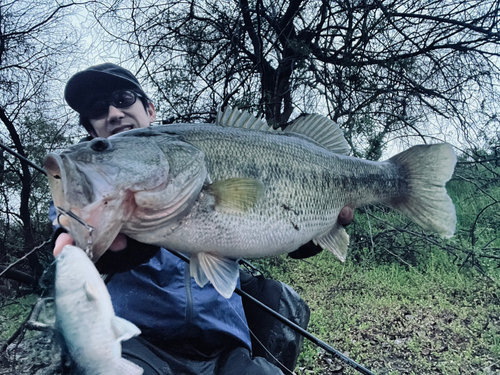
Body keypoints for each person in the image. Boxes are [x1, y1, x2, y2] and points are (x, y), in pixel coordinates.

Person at [51, 63, 354, 375]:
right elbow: (69, 249)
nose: (113, 113)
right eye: (98, 109)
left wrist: (314, 233)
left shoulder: (197, 149)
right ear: (91, 131)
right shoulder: (80, 190)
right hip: (136, 338)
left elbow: (277, 219)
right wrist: (113, 249)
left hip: (226, 343)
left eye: (124, 98)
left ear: (150, 110)